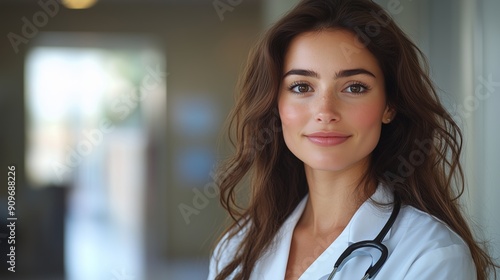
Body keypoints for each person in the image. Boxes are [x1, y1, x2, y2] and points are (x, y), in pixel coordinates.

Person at [208, 0, 499, 279]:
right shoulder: (238, 247)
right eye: (301, 87)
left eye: (354, 87)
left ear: (389, 105)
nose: (325, 111)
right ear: (275, 104)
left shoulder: (431, 254)